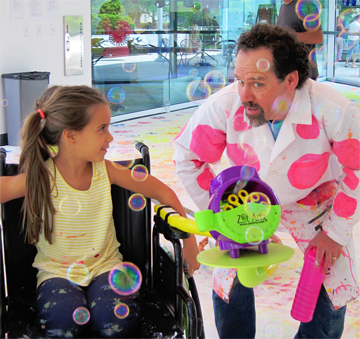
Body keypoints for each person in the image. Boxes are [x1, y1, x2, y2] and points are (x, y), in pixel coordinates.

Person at [173, 24, 359, 338]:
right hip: (247, 197)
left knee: (333, 278)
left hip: (315, 196)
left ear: (290, 80)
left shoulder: (332, 109)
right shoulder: (226, 104)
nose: (243, 94)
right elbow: (188, 157)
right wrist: (220, 216)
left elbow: (357, 169)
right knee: (229, 276)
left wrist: (335, 233)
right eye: (238, 80)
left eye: (257, 83)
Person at [0, 85, 200, 338]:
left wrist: (190, 242)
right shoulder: (40, 177)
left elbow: (164, 193)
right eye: (102, 128)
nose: (110, 138)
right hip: (56, 272)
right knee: (63, 321)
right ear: (71, 136)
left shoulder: (106, 171)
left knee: (114, 320)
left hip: (106, 267)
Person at [276, 0, 323, 80]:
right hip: (287, 71)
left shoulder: (306, 6)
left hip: (303, 74)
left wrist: (291, 35)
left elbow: (318, 37)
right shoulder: (283, 7)